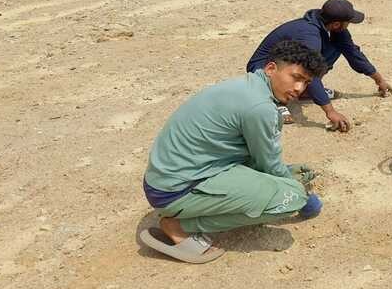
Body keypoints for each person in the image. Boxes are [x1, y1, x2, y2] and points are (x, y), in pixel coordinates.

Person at [140, 40, 327, 264]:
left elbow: (261, 159)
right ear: (270, 68)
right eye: (295, 77)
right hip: (176, 190)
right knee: (292, 196)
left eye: (306, 82)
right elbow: (268, 163)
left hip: (171, 178)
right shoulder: (259, 107)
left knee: (296, 173)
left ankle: (196, 210)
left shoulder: (247, 86)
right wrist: (302, 197)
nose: (299, 89)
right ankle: (180, 225)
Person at [246, 0, 392, 133]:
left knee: (338, 46)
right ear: (336, 23)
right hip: (264, 69)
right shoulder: (309, 34)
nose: (349, 24)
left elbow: (353, 54)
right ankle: (274, 100)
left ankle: (304, 91)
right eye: (348, 21)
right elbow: (309, 70)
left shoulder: (334, 28)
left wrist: (379, 79)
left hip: (287, 63)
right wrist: (330, 111)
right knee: (308, 65)